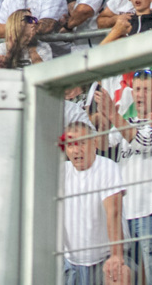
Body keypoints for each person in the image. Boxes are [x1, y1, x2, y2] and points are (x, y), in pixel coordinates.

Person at [59, 120, 127, 284]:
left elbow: (114, 212)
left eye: (82, 143)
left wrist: (116, 255)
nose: (76, 150)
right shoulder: (62, 171)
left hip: (105, 257)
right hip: (70, 262)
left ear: (94, 143)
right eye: (71, 145)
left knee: (122, 275)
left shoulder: (106, 167)